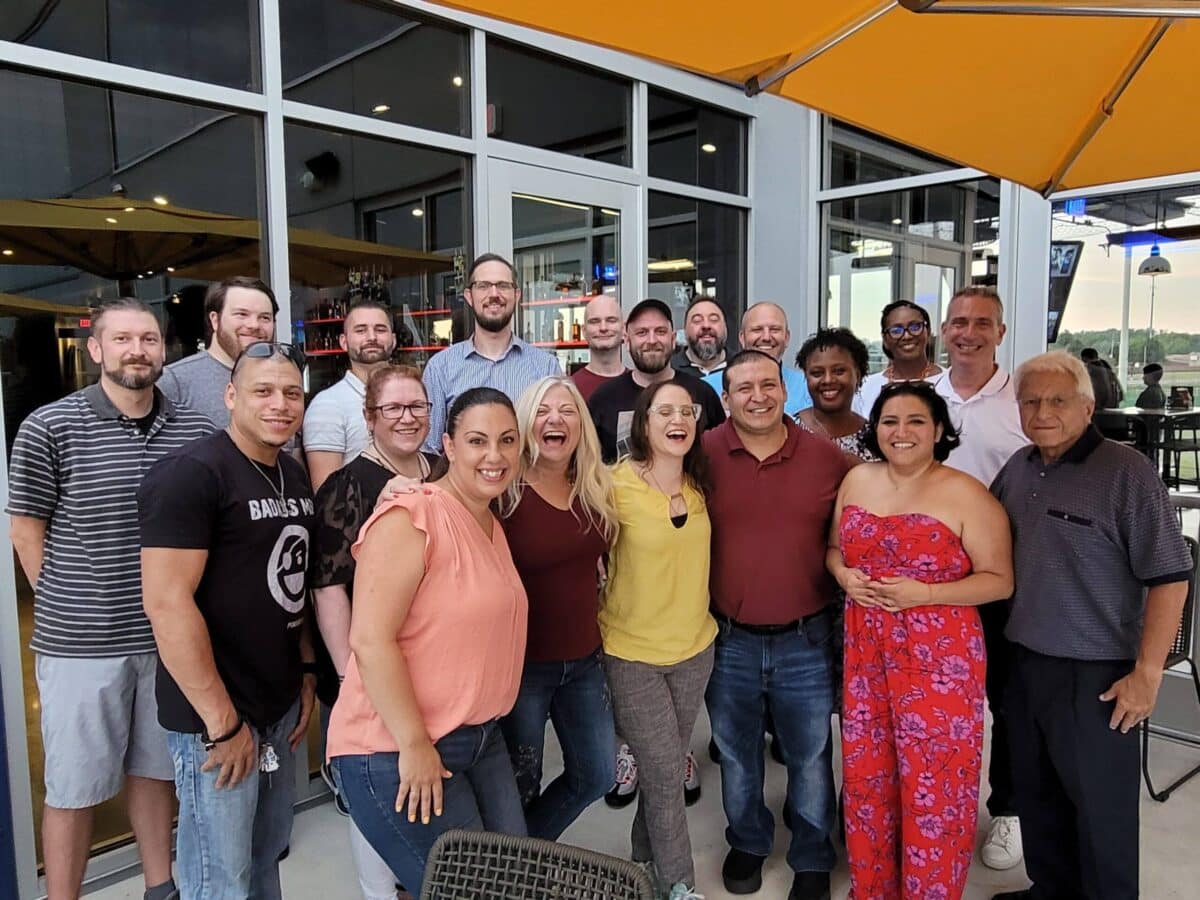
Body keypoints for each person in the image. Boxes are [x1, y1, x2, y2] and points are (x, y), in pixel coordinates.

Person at [6, 298, 214, 900]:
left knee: (155, 774)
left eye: (148, 339)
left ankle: (160, 887)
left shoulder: (192, 429)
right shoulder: (51, 427)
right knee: (72, 788)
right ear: (94, 349)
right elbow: (26, 530)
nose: (137, 351)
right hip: (82, 646)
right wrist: (71, 602)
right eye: (122, 339)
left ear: (163, 350)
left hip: (168, 639)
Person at [990, 352, 1192, 900]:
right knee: (1037, 793)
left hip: (1098, 672)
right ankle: (1050, 890)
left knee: (1099, 807)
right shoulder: (1019, 467)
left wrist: (1148, 674)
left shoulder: (1126, 473)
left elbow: (1171, 577)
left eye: (1057, 400)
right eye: (1030, 401)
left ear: (1088, 405)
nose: (1043, 412)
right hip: (1025, 661)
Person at [329, 388, 528, 891]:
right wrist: (413, 745)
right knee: (470, 890)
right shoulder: (411, 516)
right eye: (477, 440)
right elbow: (370, 640)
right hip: (397, 747)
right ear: (449, 446)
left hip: (478, 737)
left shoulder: (489, 521)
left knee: (513, 882)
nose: (494, 455)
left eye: (507, 440)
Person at [139, 341, 317, 900]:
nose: (280, 405)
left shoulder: (292, 473)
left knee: (265, 859)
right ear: (231, 396)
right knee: (221, 879)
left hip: (276, 707)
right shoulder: (192, 474)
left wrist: (306, 670)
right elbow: (166, 603)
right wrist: (223, 723)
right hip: (215, 721)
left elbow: (295, 582)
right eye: (263, 391)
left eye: (292, 393)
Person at [828, 381, 1014, 900]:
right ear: (875, 429)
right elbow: (833, 550)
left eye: (915, 422)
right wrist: (844, 576)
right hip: (866, 653)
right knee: (869, 778)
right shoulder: (857, 479)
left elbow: (1000, 580)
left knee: (935, 788)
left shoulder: (965, 492)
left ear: (938, 431)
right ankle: (874, 887)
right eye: (890, 421)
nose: (901, 432)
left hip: (939, 661)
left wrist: (926, 592)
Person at [703, 350, 848, 900]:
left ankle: (812, 853)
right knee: (736, 753)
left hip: (805, 637)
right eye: (744, 388)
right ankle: (749, 840)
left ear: (786, 391)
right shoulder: (702, 453)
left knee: (810, 755)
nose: (758, 396)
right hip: (729, 637)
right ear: (726, 397)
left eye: (768, 385)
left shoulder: (826, 458)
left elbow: (879, 500)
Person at [310, 365, 438, 900]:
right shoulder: (349, 485)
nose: (408, 418)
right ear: (370, 418)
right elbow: (328, 587)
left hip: (433, 663)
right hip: (373, 664)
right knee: (377, 792)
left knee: (420, 785)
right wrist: (349, 674)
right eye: (394, 408)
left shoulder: (444, 470)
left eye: (417, 406)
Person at [600, 380, 717, 900]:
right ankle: (680, 885)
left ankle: (643, 862)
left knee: (660, 767)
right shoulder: (611, 485)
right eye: (663, 411)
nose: (678, 419)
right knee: (668, 773)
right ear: (642, 424)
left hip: (696, 649)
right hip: (632, 654)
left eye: (686, 411)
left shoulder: (701, 482)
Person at [933, 285, 1028, 871]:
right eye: (959, 322)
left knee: (1008, 702)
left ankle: (1009, 811)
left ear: (1000, 332)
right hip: (930, 586)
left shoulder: (1023, 401)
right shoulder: (922, 397)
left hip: (999, 579)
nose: (968, 332)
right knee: (940, 708)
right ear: (944, 331)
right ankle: (938, 806)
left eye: (982, 323)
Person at [499, 376, 618, 839]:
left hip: (586, 660)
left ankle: (523, 857)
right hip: (524, 666)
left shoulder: (594, 485)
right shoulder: (504, 491)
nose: (555, 419)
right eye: (543, 411)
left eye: (567, 411)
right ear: (527, 424)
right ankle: (512, 871)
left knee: (598, 773)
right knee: (519, 785)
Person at [421, 253, 560, 451]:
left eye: (503, 285)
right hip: (464, 482)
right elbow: (430, 449)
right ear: (469, 296)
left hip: (528, 481)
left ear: (517, 295)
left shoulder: (546, 366)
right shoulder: (440, 368)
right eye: (483, 286)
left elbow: (556, 443)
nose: (494, 294)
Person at [589, 298, 725, 464]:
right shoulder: (603, 399)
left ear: (673, 339)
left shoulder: (702, 394)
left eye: (660, 331)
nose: (652, 341)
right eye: (642, 333)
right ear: (626, 340)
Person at [159, 276, 278, 428]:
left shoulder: (281, 377)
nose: (254, 324)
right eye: (241, 314)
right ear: (215, 320)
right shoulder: (174, 381)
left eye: (264, 317)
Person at [303, 300, 399, 491]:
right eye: (361, 330)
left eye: (380, 329)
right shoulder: (327, 405)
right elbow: (327, 496)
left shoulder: (411, 396)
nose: (371, 337)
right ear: (343, 342)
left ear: (394, 340)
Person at [704, 302, 813, 416]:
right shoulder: (707, 387)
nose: (766, 337)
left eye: (774, 329)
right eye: (757, 330)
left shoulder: (806, 386)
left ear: (786, 337)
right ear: (742, 338)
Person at [794, 327, 878, 465]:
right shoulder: (788, 431)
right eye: (817, 373)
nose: (828, 380)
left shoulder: (875, 438)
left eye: (839, 371)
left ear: (857, 375)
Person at [853, 300, 942, 416]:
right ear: (885, 339)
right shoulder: (866, 388)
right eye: (896, 330)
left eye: (915, 327)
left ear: (928, 332)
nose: (907, 336)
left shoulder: (948, 383)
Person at [571, 295, 626, 402]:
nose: (603, 328)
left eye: (611, 320)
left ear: (623, 329)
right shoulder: (571, 388)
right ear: (584, 331)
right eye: (595, 321)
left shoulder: (638, 384)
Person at [671, 297, 728, 379]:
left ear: (725, 328)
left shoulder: (740, 366)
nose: (706, 326)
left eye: (713, 319)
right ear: (685, 330)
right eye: (697, 320)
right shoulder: (670, 372)